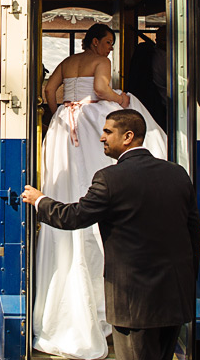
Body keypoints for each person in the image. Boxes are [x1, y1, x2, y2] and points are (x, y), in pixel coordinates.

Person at [23, 109, 200, 360]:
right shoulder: (177, 174)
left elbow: (73, 217)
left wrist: (39, 200)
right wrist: (187, 283)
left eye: (107, 132)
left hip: (133, 303)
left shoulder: (109, 178)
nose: (101, 138)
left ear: (128, 136)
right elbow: (193, 233)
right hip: (175, 297)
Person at [35, 24, 167, 359]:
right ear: (96, 42)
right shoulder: (99, 62)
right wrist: (120, 98)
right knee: (96, 182)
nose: (110, 49)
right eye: (108, 43)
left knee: (64, 188)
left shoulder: (67, 61)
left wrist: (58, 113)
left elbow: (49, 89)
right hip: (89, 120)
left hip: (64, 126)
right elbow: (101, 89)